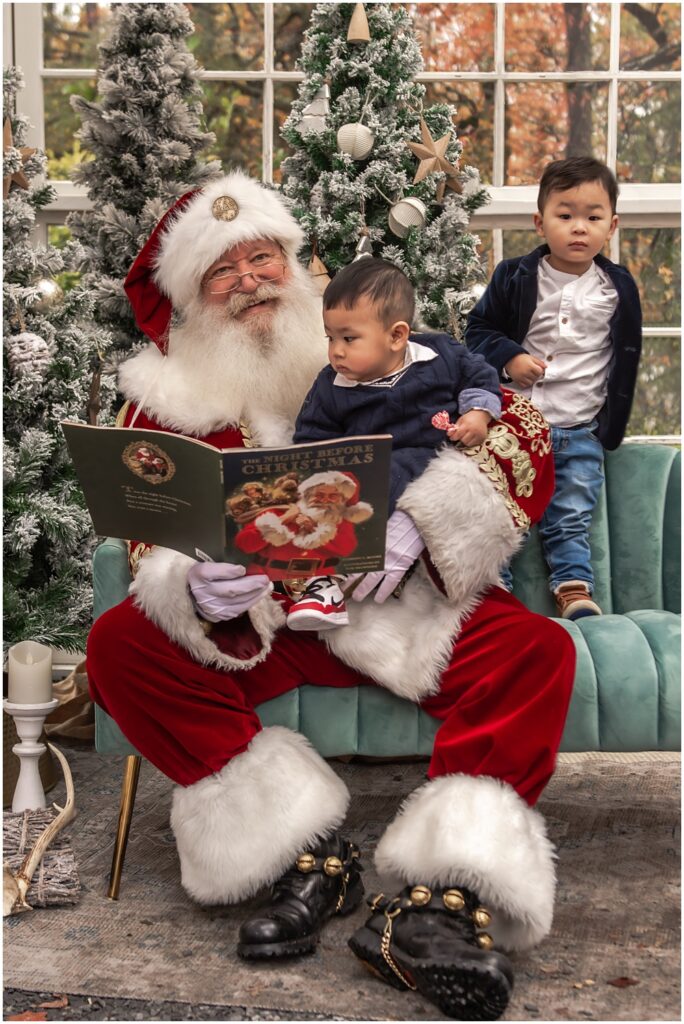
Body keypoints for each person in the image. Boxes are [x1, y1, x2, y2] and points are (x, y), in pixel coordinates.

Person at [86, 171, 576, 1022]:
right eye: (222, 269)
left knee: (538, 651)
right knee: (120, 648)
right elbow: (144, 536)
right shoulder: (160, 407)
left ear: (295, 264)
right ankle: (302, 857)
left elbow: (522, 430)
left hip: (402, 606)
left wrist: (427, 519)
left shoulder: (379, 343)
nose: (250, 279)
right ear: (191, 298)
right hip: (273, 627)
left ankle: (439, 904)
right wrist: (195, 585)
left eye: (263, 256)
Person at [466, 156, 642, 620]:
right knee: (498, 510)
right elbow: (478, 330)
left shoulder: (617, 288)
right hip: (513, 426)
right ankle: (495, 592)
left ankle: (573, 588)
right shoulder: (514, 275)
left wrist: (610, 429)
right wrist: (511, 357)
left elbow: (625, 358)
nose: (579, 228)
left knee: (570, 516)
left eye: (593, 217)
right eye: (565, 216)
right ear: (540, 222)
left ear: (613, 225)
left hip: (579, 428)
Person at [286, 257, 502, 631]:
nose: (336, 351)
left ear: (397, 336)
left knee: (396, 479)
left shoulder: (440, 354)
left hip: (431, 462)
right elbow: (311, 438)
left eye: (349, 338)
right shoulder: (330, 385)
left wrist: (478, 414)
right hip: (364, 471)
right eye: (330, 338)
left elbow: (480, 374)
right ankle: (323, 587)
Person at [234, 470, 372, 590]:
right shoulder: (279, 510)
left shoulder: (336, 520)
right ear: (306, 495)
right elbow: (244, 545)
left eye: (333, 496)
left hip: (319, 581)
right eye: (319, 494)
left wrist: (312, 528)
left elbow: (345, 549)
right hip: (268, 580)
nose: (325, 500)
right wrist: (286, 519)